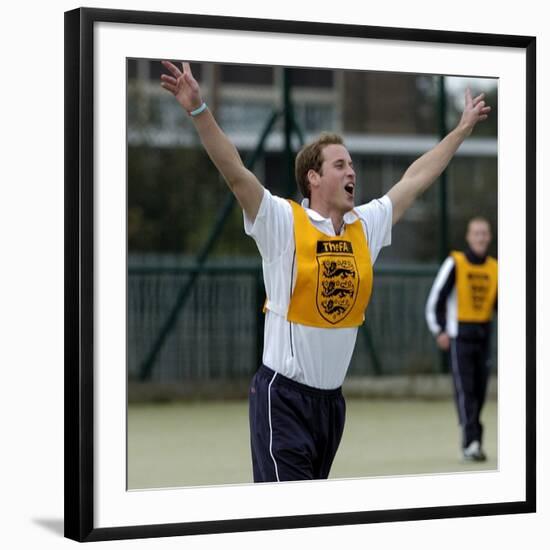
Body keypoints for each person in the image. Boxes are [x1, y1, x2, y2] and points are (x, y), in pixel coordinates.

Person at [160, 60, 491, 482]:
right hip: (283, 397)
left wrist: (461, 130)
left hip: (330, 404)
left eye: (352, 164)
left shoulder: (364, 227)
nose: (352, 171)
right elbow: (235, 172)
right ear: (313, 178)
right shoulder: (282, 222)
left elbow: (415, 179)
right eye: (340, 165)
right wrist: (198, 110)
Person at [425, 217, 497, 462]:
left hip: (484, 335)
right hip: (460, 336)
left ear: (489, 237)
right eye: (476, 233)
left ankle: (474, 438)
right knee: (465, 391)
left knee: (480, 390)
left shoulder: (495, 268)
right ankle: (471, 442)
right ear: (468, 237)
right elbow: (435, 301)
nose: (480, 237)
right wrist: (440, 330)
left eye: (484, 233)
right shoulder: (455, 263)